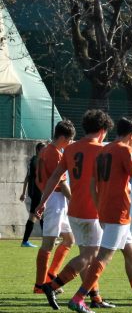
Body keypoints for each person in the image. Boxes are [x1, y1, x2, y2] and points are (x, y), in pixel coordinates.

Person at [65, 117, 132, 313]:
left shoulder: (104, 150)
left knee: (131, 255)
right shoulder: (125, 150)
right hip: (118, 211)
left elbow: (92, 184)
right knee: (103, 257)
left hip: (108, 211)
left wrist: (99, 207)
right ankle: (79, 298)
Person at [36, 109, 115, 310]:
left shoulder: (70, 150)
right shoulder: (102, 150)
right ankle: (52, 285)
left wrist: (42, 201)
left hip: (74, 210)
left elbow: (54, 177)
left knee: (85, 255)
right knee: (90, 256)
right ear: (102, 130)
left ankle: (95, 297)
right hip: (92, 209)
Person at [33, 120, 76, 294]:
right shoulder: (55, 153)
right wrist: (74, 200)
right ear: (63, 137)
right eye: (70, 139)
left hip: (54, 199)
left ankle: (51, 277)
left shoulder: (44, 151)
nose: (71, 143)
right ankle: (39, 286)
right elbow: (62, 182)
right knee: (48, 244)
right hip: (55, 200)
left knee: (69, 240)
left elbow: (38, 178)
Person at [19, 142, 45, 248]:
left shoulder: (33, 160)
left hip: (35, 192)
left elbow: (26, 178)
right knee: (35, 216)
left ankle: (47, 238)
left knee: (40, 215)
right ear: (38, 150)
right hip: (36, 192)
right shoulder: (37, 161)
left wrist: (23, 193)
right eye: (43, 149)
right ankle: (25, 241)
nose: (45, 151)